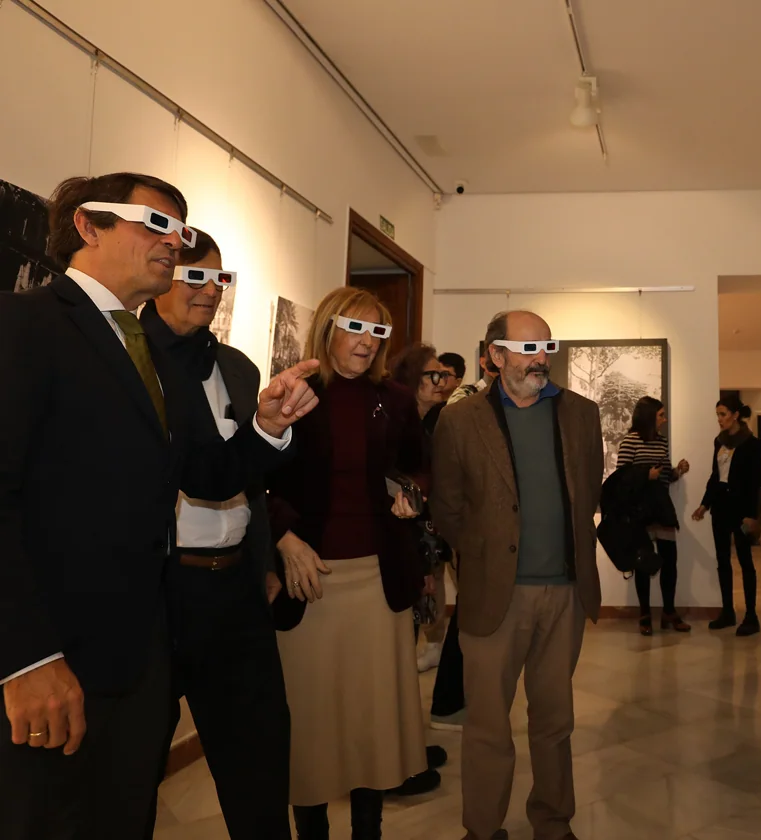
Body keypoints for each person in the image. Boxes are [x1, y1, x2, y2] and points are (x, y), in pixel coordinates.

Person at [0, 172, 316, 840]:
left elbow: (200, 474)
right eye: (157, 225)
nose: (175, 244)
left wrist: (265, 427)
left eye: (180, 229)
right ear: (89, 225)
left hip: (139, 651)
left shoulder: (136, 347)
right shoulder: (25, 324)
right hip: (60, 655)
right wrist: (26, 658)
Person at [267, 287, 437, 840]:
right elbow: (255, 479)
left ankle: (369, 832)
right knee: (310, 727)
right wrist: (284, 536)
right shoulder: (295, 393)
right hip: (310, 581)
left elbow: (415, 469)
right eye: (357, 329)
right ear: (328, 329)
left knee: (372, 723)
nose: (368, 343)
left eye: (379, 333)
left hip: (377, 578)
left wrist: (409, 495)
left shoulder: (395, 399)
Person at [140, 230, 291, 839]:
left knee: (258, 755)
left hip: (236, 588)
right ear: (160, 276)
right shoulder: (127, 362)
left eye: (219, 279)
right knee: (134, 760)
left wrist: (271, 551)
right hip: (157, 592)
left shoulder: (236, 365)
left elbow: (248, 477)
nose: (209, 292)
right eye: (195, 277)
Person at [432, 310, 603, 840]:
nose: (540, 358)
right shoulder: (459, 420)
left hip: (565, 594)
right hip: (494, 598)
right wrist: (484, 559)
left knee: (555, 721)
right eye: (526, 348)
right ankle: (482, 829)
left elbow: (589, 492)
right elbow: (447, 508)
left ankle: (553, 823)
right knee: (487, 725)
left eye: (545, 346)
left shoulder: (581, 414)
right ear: (494, 355)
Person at [428, 348, 500, 732]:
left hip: (482, 528)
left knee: (473, 614)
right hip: (468, 528)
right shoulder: (466, 402)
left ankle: (458, 699)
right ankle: (447, 702)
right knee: (468, 614)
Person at [393, 343, 453, 672]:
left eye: (443, 375)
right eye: (434, 375)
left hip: (424, 542)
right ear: (413, 379)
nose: (442, 381)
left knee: (417, 619)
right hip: (401, 540)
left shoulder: (432, 422)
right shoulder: (397, 425)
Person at [692, 396, 761, 636]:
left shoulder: (751, 443)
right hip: (721, 508)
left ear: (736, 415)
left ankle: (751, 615)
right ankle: (728, 611)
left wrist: (751, 515)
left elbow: (757, 482)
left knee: (745, 561)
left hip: (741, 509)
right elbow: (716, 476)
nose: (719, 419)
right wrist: (705, 504)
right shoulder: (719, 441)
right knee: (723, 560)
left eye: (723, 414)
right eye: (718, 415)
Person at [616, 396, 691, 636]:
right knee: (644, 563)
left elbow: (665, 475)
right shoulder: (629, 441)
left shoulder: (661, 442)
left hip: (661, 507)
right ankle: (645, 614)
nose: (664, 419)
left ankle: (669, 611)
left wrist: (677, 471)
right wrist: (645, 476)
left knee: (670, 561)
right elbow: (621, 479)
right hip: (639, 511)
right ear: (649, 416)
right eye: (660, 415)